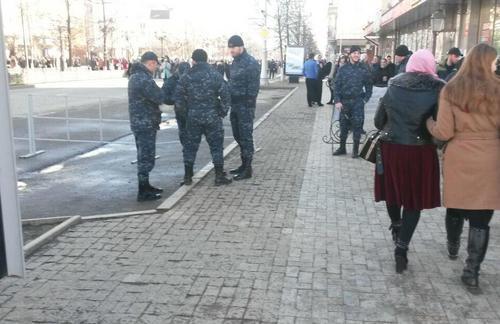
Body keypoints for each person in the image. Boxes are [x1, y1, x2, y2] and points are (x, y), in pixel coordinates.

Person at [426, 43, 500, 289]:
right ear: (488, 62)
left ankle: (453, 245)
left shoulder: (451, 89)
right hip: (490, 158)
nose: (495, 65)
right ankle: (471, 272)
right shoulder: (498, 89)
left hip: (459, 156)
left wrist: (428, 124)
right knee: (481, 217)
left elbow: (444, 131)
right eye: (494, 61)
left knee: (456, 204)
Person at [374, 49, 444, 274]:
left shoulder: (394, 84)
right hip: (420, 151)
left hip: (391, 147)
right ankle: (402, 249)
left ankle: (396, 226)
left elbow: (378, 121)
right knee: (413, 199)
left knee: (392, 190)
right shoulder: (439, 88)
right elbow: (440, 126)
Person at [175, 49, 233, 186]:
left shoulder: (186, 76)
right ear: (206, 59)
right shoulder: (215, 74)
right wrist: (222, 112)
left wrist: (185, 113)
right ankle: (219, 176)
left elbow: (178, 98)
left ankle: (188, 177)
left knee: (190, 147)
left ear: (193, 60)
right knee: (216, 147)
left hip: (193, 117)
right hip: (212, 116)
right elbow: (226, 95)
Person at [128, 51, 169, 202]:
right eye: (155, 65)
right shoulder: (143, 79)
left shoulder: (136, 76)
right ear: (151, 63)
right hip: (145, 123)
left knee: (144, 155)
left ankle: (146, 186)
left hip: (141, 122)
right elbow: (159, 96)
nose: (155, 68)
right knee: (146, 157)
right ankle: (143, 191)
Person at [227, 35, 261, 180]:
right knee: (237, 135)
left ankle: (248, 169)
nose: (231, 50)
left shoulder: (251, 63)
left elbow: (253, 88)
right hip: (234, 105)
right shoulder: (235, 62)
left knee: (246, 137)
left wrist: (247, 104)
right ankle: (243, 164)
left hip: (245, 106)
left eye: (233, 47)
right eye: (230, 47)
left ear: (241, 47)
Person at [333, 45, 373, 158]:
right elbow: (336, 86)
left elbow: (369, 85)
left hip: (358, 102)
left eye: (358, 53)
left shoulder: (363, 69)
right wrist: (337, 101)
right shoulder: (343, 69)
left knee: (357, 126)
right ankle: (342, 148)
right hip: (344, 102)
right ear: (350, 54)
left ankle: (355, 150)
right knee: (343, 125)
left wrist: (365, 99)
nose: (356, 55)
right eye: (354, 53)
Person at [163, 62, 191, 176]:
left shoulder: (192, 78)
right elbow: (163, 96)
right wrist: (176, 100)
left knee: (191, 145)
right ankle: (188, 173)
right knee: (186, 145)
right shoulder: (171, 81)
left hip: (194, 115)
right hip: (182, 116)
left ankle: (188, 174)